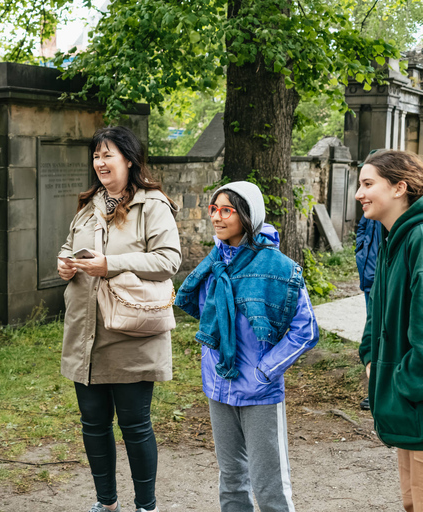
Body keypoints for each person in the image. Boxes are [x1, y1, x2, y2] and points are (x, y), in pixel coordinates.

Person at [57, 126, 181, 512]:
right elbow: (69, 246)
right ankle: (105, 503)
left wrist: (110, 265)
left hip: (132, 332)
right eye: (96, 156)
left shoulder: (153, 205)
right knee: (92, 424)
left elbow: (168, 261)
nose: (100, 162)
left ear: (128, 159)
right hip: (85, 333)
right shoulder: (89, 204)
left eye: (108, 154)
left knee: (135, 425)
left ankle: (146, 505)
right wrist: (65, 263)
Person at [175, 181, 319, 512]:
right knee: (231, 481)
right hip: (218, 386)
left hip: (259, 392)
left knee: (269, 486)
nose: (216, 217)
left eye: (226, 210)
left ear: (247, 216)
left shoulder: (277, 268)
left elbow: (306, 329)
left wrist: (265, 370)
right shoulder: (215, 264)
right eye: (213, 209)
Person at [356, 150, 423, 512]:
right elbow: (376, 316)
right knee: (412, 504)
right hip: (407, 410)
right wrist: (370, 357)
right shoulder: (391, 239)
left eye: (368, 184)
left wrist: (403, 383)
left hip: (415, 403)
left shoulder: (420, 239)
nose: (358, 194)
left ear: (400, 187)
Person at [354, 213, 382, 410]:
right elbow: (363, 229)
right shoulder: (372, 209)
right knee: (373, 334)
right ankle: (375, 390)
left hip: (384, 280)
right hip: (370, 277)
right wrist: (361, 250)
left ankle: (380, 392)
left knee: (384, 335)